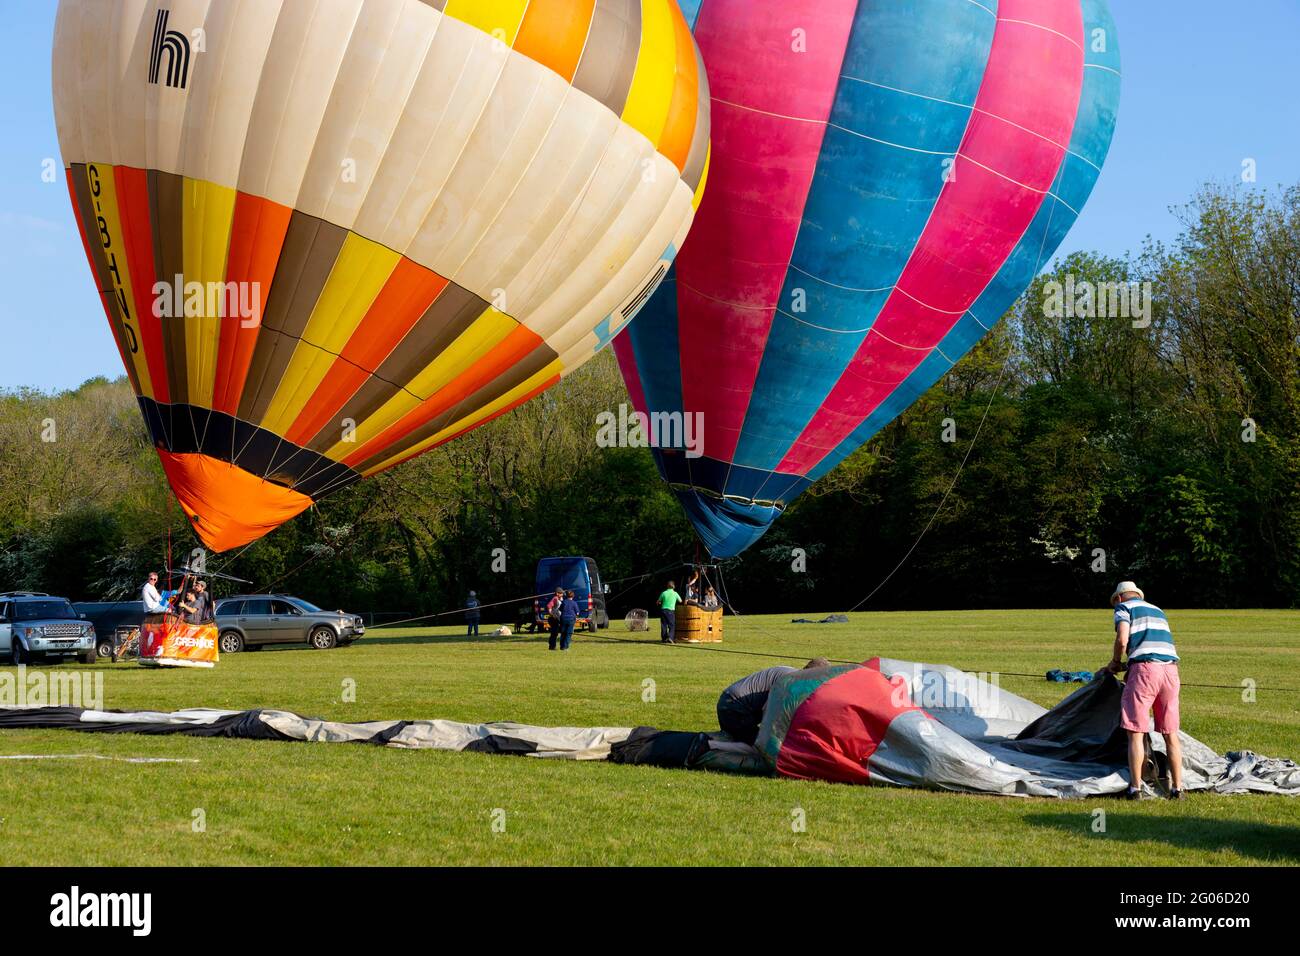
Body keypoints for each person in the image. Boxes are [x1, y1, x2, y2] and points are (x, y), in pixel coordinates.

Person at [1100, 581, 1184, 800]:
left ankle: (1135, 789)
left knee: (1136, 732)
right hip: (1171, 671)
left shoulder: (1124, 608)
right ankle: (1177, 789)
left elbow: (1122, 639)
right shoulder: (1157, 610)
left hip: (1145, 672)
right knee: (1171, 734)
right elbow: (1153, 647)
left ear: (1118, 598)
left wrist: (1116, 662)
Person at [716, 658, 832, 745]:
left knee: (736, 740)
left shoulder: (793, 677)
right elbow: (769, 711)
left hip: (731, 702)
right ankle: (703, 744)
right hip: (733, 706)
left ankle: (711, 741)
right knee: (759, 748)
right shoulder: (791, 681)